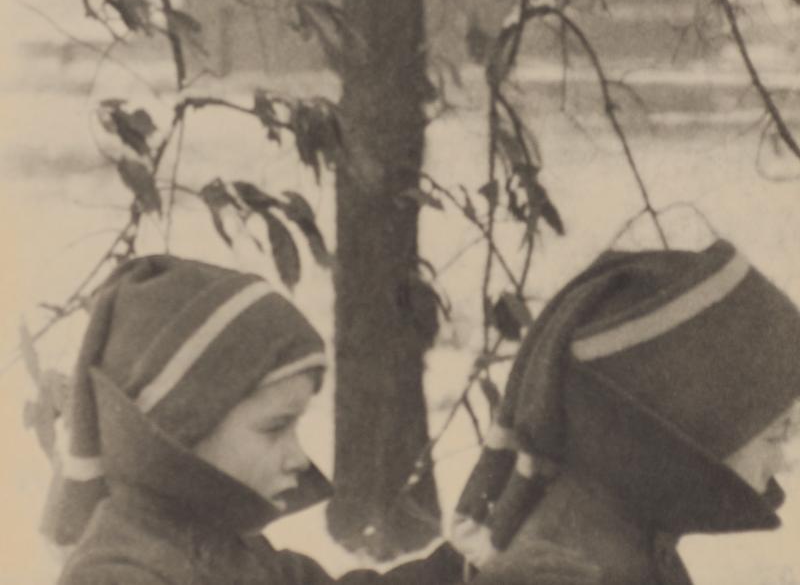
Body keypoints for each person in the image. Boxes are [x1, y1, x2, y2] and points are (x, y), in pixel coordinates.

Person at [43, 254, 472, 585]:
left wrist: (464, 570)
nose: (299, 458)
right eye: (275, 427)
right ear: (182, 429)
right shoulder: (120, 573)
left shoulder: (227, 546)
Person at [451, 239, 800, 585]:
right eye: (774, 436)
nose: (783, 462)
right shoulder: (573, 565)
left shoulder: (628, 537)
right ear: (688, 423)